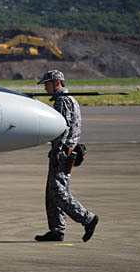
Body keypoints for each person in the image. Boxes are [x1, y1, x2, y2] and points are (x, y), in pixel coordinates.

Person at [34, 70, 99, 243]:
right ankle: (57, 230)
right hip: (67, 151)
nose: (45, 88)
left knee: (58, 193)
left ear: (57, 83)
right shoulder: (71, 100)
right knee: (51, 193)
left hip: (62, 152)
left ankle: (87, 218)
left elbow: (63, 126)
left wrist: (58, 149)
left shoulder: (62, 101)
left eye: (47, 84)